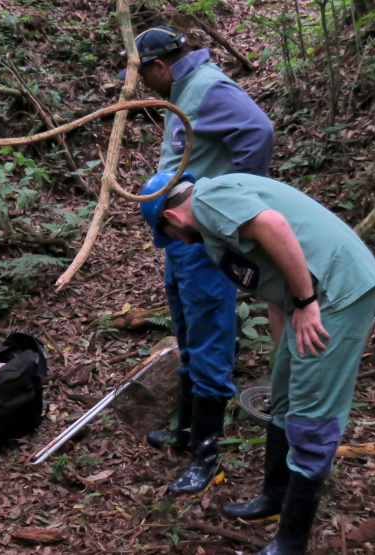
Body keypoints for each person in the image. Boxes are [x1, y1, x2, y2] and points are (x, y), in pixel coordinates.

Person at [140, 172, 375, 555]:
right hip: (305, 298)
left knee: (310, 416)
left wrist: (304, 302)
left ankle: (291, 543)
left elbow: (275, 224)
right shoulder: (216, 228)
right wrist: (281, 352)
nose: (178, 243)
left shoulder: (208, 200)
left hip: (336, 294)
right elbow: (271, 284)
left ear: (170, 220)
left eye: (170, 237)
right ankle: (273, 500)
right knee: (283, 396)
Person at [119, 26, 275, 496]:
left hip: (205, 236)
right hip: (180, 236)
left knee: (209, 338)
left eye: (145, 75)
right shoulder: (185, 89)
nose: (145, 85)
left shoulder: (208, 87)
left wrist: (233, 203)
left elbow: (259, 132)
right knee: (187, 329)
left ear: (159, 66)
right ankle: (187, 432)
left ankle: (208, 460)